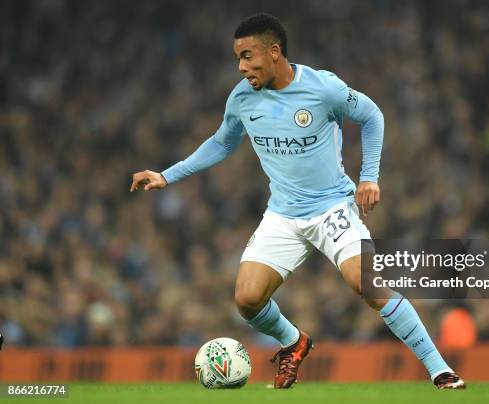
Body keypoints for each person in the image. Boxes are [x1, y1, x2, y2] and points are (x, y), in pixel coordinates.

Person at [130, 13, 465, 390]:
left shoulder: (323, 89)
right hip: (283, 215)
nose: (241, 67)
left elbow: (372, 115)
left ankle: (440, 369)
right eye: (237, 58)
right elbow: (222, 142)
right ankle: (294, 342)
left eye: (247, 56)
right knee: (247, 299)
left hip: (331, 208)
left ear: (274, 52)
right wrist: (166, 175)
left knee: (366, 282)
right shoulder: (242, 98)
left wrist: (369, 176)